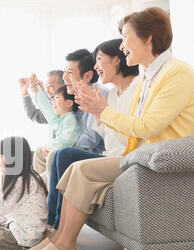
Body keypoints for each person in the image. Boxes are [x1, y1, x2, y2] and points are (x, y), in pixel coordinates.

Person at [26, 7, 194, 250]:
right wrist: (99, 112)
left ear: (148, 38)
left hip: (152, 162)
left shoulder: (176, 72)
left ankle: (65, 245)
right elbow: (132, 127)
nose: (123, 46)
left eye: (126, 37)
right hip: (136, 155)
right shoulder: (149, 76)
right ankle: (60, 240)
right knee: (74, 169)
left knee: (80, 169)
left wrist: (102, 110)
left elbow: (147, 126)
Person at [33, 38, 140, 234]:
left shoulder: (109, 94)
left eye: (100, 60)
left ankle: (54, 228)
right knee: (56, 155)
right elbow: (53, 115)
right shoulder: (111, 94)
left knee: (62, 154)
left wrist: (100, 113)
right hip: (109, 152)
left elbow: (96, 137)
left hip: (114, 155)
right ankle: (47, 224)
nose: (65, 77)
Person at [31, 49, 109, 182]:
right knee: (40, 153)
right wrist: (37, 91)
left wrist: (60, 147)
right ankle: (40, 192)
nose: (64, 77)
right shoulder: (74, 95)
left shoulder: (98, 94)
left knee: (52, 159)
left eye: (70, 72)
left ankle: (39, 190)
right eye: (65, 71)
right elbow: (52, 112)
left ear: (88, 76)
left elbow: (92, 138)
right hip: (73, 149)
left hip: (94, 153)